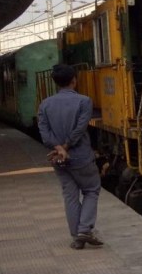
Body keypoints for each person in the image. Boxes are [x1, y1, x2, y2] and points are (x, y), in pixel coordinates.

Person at [38, 64, 104, 250]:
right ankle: (84, 229)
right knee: (91, 190)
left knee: (70, 196)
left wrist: (58, 148)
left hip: (59, 159)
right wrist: (66, 146)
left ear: (55, 83)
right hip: (81, 157)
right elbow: (80, 128)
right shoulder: (84, 101)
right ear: (74, 80)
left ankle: (77, 237)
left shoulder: (45, 104)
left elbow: (44, 132)